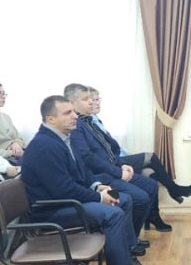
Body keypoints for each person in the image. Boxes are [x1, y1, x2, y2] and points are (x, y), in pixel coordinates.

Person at [21, 95, 156, 265]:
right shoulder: (44, 146)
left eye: (73, 111)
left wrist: (98, 186)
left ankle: (126, 260)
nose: (75, 116)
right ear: (50, 119)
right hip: (52, 209)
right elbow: (64, 189)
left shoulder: (63, 138)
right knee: (112, 214)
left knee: (124, 199)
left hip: (69, 201)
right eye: (68, 113)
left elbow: (82, 173)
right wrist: (99, 197)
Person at [64, 84, 161, 233]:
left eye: (92, 98)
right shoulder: (76, 126)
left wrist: (122, 164)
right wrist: (118, 173)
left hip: (113, 170)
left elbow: (109, 148)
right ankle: (129, 238)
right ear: (72, 102)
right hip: (102, 176)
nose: (91, 101)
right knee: (140, 198)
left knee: (151, 185)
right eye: (86, 99)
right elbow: (88, 158)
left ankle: (131, 237)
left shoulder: (90, 122)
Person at [86, 86, 191, 207]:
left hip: (119, 159)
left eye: (98, 99)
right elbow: (103, 150)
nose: (97, 103)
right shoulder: (89, 123)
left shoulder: (95, 120)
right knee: (150, 157)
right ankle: (174, 189)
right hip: (113, 163)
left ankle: (155, 214)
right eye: (93, 100)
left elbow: (110, 145)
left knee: (149, 172)